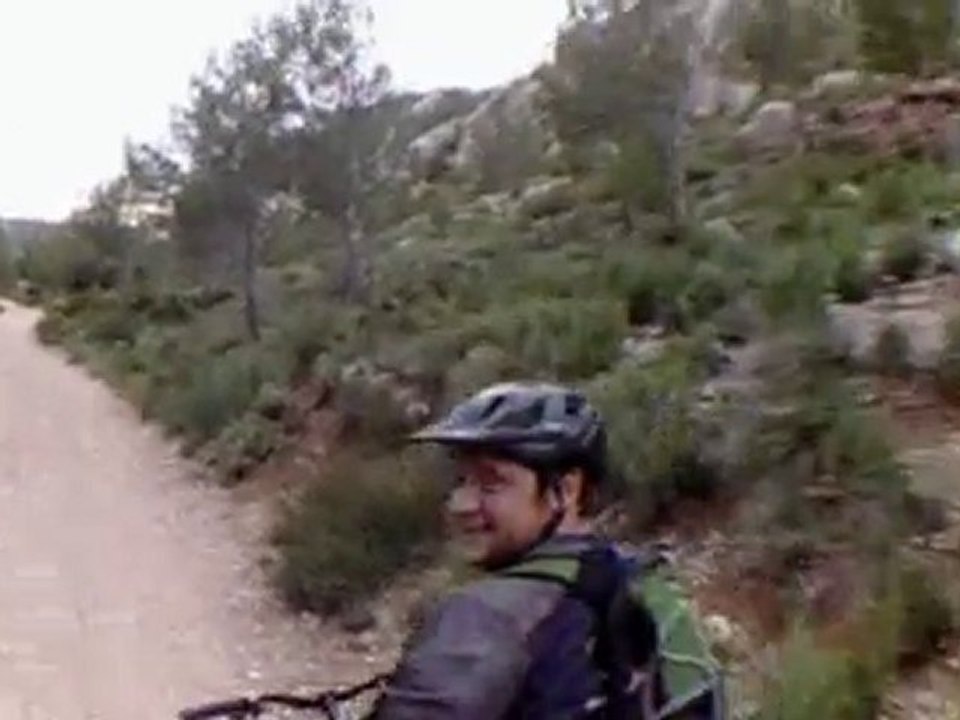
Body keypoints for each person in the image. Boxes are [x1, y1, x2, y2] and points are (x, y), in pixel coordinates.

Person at [369, 382, 663, 720]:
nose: (460, 504)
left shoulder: (487, 615)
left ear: (565, 490)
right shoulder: (647, 589)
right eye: (461, 481)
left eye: (491, 482)